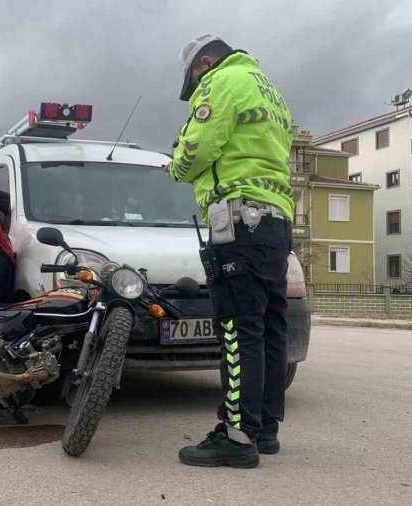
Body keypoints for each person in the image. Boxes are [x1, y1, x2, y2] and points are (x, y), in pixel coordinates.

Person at [167, 35, 294, 468]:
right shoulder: (269, 89)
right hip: (276, 220)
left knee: (239, 329)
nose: (195, 87)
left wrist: (175, 166)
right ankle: (264, 428)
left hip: (239, 218)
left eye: (193, 78)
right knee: (270, 327)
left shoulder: (221, 82)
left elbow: (198, 148)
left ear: (204, 62)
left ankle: (236, 436)